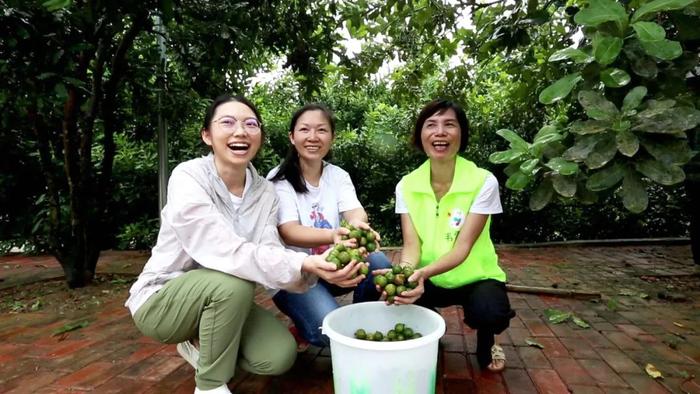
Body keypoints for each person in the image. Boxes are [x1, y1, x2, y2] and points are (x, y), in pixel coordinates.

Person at [125, 95, 362, 394]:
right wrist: (303, 261)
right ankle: (210, 385)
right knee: (234, 282)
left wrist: (315, 269)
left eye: (251, 124)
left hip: (224, 301)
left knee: (278, 356)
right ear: (207, 135)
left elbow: (270, 250)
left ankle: (205, 341)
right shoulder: (189, 177)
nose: (240, 131)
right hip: (163, 299)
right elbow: (221, 249)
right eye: (227, 123)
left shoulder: (263, 191)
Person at [385, 98, 515, 373]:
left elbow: (463, 247)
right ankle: (429, 319)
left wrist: (423, 273)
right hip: (428, 278)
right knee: (392, 296)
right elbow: (411, 246)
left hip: (474, 277)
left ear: (462, 134)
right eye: (431, 125)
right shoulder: (406, 185)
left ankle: (488, 338)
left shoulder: (483, 181)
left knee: (490, 312)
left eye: (449, 125)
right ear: (421, 135)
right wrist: (405, 274)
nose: (440, 132)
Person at [267, 103, 392, 349]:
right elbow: (289, 231)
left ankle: (359, 321)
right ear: (292, 137)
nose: (313, 137)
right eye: (304, 130)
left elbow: (355, 210)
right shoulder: (278, 180)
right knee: (328, 334)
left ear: (332, 138)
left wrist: (358, 225)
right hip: (294, 277)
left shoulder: (337, 176)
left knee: (379, 263)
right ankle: (308, 326)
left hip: (331, 268)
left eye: (321, 130)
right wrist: (334, 234)